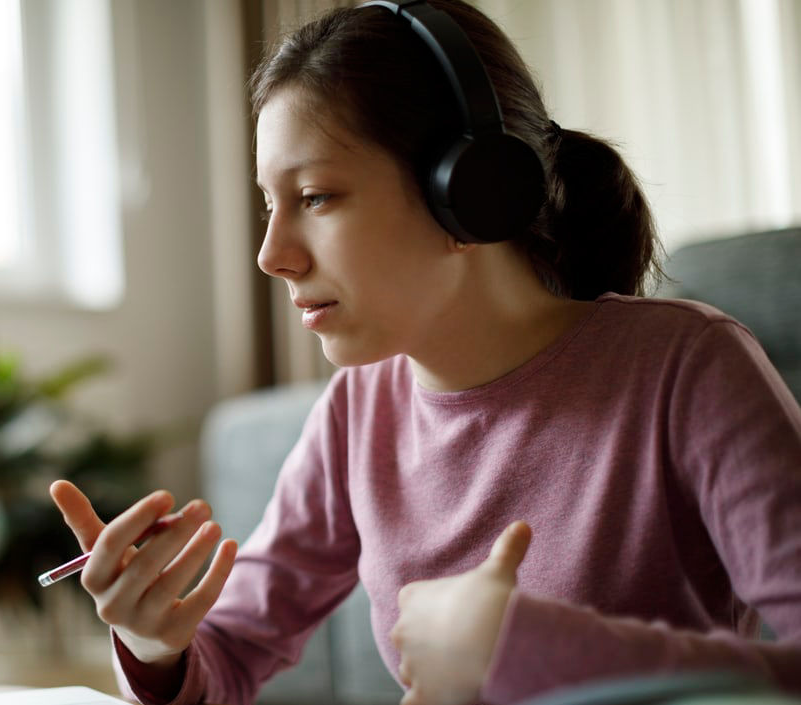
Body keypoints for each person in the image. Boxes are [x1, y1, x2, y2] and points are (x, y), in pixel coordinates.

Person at [50, 2, 801, 704]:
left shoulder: (686, 366)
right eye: (267, 205)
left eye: (314, 197)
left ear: (469, 192)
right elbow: (233, 652)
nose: (271, 254)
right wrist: (156, 643)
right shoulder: (357, 411)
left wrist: (544, 648)